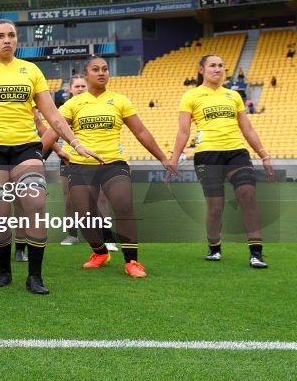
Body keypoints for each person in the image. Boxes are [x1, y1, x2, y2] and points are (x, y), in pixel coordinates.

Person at [0, 19, 102, 294]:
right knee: (0, 215)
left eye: (11, 35)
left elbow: (52, 113)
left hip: (26, 147)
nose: (6, 40)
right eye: (0, 36)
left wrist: (75, 142)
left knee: (35, 204)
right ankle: (4, 272)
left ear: (17, 40)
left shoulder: (31, 70)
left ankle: (35, 276)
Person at [42, 56, 180, 277]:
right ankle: (100, 252)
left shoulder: (120, 101)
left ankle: (132, 261)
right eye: (95, 69)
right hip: (81, 165)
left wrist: (163, 158)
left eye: (105, 69)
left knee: (123, 205)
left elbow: (141, 132)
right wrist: (35, 159)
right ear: (86, 74)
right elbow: (51, 133)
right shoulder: (73, 104)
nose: (101, 73)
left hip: (113, 163)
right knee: (83, 216)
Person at [169, 54, 274, 268]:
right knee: (215, 207)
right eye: (212, 66)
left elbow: (247, 128)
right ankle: (214, 246)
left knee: (248, 196)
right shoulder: (191, 96)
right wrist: (173, 160)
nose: (217, 69)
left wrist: (264, 155)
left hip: (236, 153)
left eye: (220, 66)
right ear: (201, 70)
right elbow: (183, 131)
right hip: (207, 156)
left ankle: (256, 253)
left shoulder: (233, 96)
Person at [57, 75, 87, 245]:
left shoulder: (95, 108)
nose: (81, 89)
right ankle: (72, 235)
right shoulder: (63, 110)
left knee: (97, 198)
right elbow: (53, 133)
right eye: (77, 86)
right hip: (68, 159)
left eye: (84, 86)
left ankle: (103, 236)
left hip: (90, 158)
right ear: (70, 89)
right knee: (69, 199)